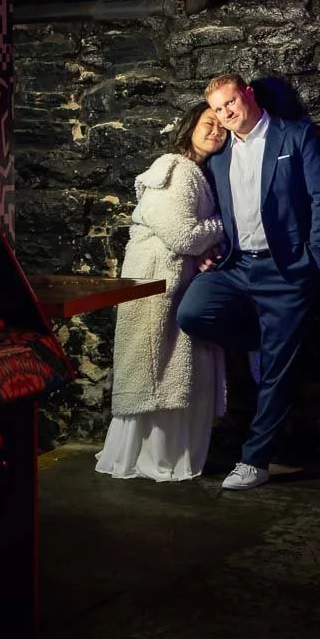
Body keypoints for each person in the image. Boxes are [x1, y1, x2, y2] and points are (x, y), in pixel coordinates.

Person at [177, 73, 320, 490]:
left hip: (287, 270)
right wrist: (210, 247)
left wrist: (315, 261)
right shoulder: (221, 152)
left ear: (248, 94)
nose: (226, 113)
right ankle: (258, 340)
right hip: (237, 265)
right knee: (192, 313)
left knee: (279, 371)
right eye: (218, 109)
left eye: (230, 102)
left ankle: (255, 461)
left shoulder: (295, 135)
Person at [96, 103, 228, 482]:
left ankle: (166, 455)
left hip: (169, 276)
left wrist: (203, 250)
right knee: (157, 366)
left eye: (221, 127)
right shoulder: (176, 169)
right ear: (190, 128)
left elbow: (187, 236)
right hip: (157, 279)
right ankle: (154, 457)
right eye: (208, 123)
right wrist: (224, 225)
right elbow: (183, 235)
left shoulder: (196, 173)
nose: (216, 131)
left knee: (172, 367)